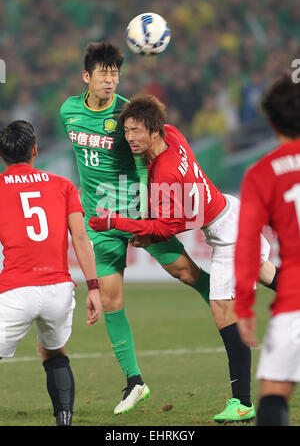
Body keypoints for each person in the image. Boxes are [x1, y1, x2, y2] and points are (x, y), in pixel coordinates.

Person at [88, 93, 278, 423]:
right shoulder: (173, 134)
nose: (129, 137)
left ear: (155, 131)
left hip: (228, 234)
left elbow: (165, 226)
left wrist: (114, 222)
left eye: (136, 131)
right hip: (231, 212)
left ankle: (243, 402)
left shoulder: (164, 174)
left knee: (222, 310)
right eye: (127, 130)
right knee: (265, 272)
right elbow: (164, 219)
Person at [60, 42, 217, 416]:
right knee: (112, 301)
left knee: (185, 272)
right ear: (87, 76)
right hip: (99, 220)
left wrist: (148, 209)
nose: (110, 80)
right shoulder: (68, 111)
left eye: (115, 73)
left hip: (135, 210)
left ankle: (228, 305)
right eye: (103, 73)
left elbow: (146, 157)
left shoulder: (126, 112)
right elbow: (83, 158)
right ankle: (135, 382)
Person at [0, 120, 102, 426]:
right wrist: (94, 288)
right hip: (59, 289)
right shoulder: (63, 186)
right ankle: (64, 419)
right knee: (54, 352)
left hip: (17, 290)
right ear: (34, 150)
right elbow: (81, 238)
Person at [234, 72, 300, 426]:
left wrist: (243, 308)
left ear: (271, 121)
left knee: (274, 391)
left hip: (295, 303)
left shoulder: (262, 173)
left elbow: (246, 246)